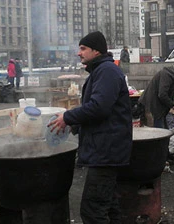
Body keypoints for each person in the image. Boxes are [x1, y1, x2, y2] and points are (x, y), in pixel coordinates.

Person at [48, 31, 132, 223]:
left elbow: (99, 107)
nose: (79, 53)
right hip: (104, 149)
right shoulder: (100, 71)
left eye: (83, 48)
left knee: (92, 211)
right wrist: (75, 124)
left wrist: (68, 117)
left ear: (96, 51)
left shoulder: (106, 71)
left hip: (106, 152)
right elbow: (98, 110)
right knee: (108, 206)